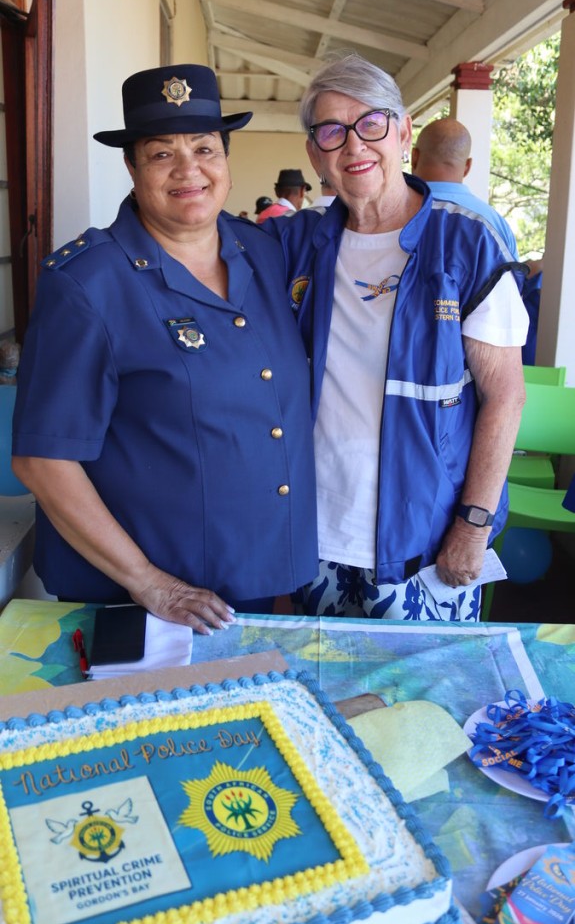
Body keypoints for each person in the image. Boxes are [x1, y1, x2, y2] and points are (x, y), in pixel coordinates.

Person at [11, 64, 318, 633]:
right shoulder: (87, 283)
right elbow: (43, 458)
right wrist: (149, 581)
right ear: (131, 167)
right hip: (137, 598)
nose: (189, 170)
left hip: (253, 576)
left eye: (205, 148)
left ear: (225, 160)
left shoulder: (265, 253)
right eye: (161, 154)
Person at [264, 53, 529, 622]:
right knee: (321, 694)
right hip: (318, 533)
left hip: (427, 539)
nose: (354, 145)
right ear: (315, 155)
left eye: (372, 123)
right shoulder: (295, 243)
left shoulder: (468, 245)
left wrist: (474, 523)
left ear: (404, 131)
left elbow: (506, 394)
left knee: (424, 701)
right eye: (332, 131)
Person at [411, 117, 517, 256]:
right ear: (467, 166)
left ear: (414, 157)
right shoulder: (495, 225)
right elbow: (513, 276)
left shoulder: (390, 212)